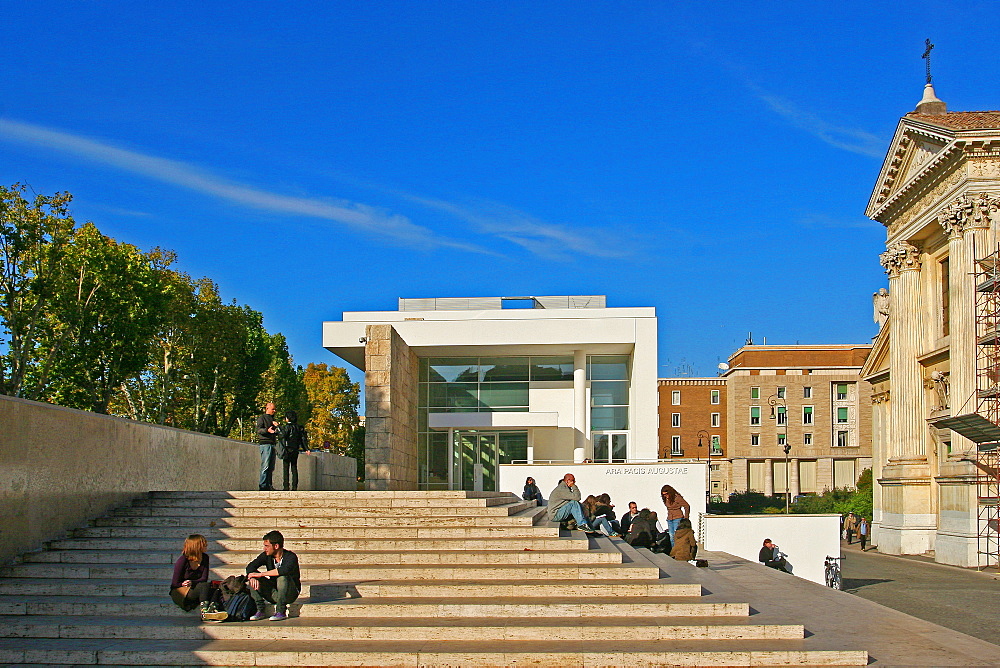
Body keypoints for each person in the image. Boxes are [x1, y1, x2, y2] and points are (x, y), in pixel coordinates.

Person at [246, 530, 301, 621]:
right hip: (274, 592)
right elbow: (250, 566)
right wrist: (253, 577)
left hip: (290, 593)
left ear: (276, 546)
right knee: (252, 578)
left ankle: (281, 611)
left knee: (282, 578)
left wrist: (261, 574)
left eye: (267, 546)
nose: (264, 549)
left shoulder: (291, 556)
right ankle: (260, 610)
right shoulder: (266, 556)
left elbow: (283, 570)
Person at [169, 534, 214, 612]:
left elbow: (204, 578)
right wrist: (183, 584)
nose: (206, 545)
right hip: (181, 592)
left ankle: (213, 608)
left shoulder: (205, 557)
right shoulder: (183, 560)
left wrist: (192, 582)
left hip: (196, 588)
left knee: (213, 588)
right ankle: (205, 611)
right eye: (203, 544)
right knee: (204, 586)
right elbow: (174, 584)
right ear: (196, 546)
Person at [277, 410, 308, 491]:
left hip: (287, 449)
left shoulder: (287, 427)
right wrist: (306, 449)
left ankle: (286, 486)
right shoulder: (298, 428)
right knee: (294, 468)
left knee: (286, 468)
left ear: (288, 418)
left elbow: (282, 435)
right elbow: (302, 439)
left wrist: (278, 427)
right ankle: (294, 486)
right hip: (295, 449)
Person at [256, 402, 279, 491]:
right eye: (272, 409)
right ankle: (262, 485)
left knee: (271, 466)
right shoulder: (262, 418)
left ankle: (269, 485)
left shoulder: (273, 419)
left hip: (272, 443)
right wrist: (267, 430)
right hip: (265, 444)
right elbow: (259, 430)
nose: (274, 411)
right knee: (265, 465)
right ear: (267, 408)